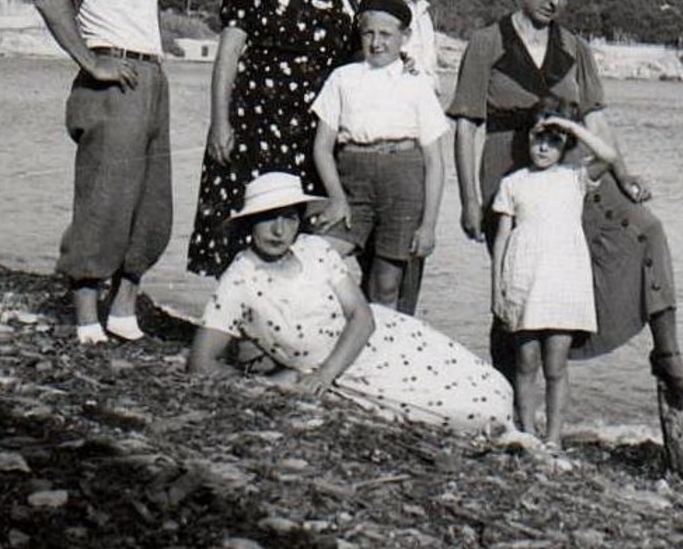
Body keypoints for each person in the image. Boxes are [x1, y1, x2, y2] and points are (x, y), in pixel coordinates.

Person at [447, 0, 683, 406]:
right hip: (505, 169)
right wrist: (467, 200)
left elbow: (596, 120)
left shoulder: (575, 48)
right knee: (514, 281)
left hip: (570, 173)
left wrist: (622, 175)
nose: (554, 0)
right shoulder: (486, 42)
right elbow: (466, 125)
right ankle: (506, 403)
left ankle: (667, 352)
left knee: (646, 229)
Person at [186, 172, 515, 435]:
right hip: (350, 378)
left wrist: (325, 374)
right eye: (267, 218)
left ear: (300, 219)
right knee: (477, 410)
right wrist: (271, 384)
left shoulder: (314, 249)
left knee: (495, 388)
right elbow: (201, 362)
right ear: (248, 224)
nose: (278, 229)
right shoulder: (239, 280)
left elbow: (361, 315)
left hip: (381, 340)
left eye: (288, 218)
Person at [34, 0, 175, 346]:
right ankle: (86, 316)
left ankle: (123, 309)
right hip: (115, 79)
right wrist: (92, 63)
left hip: (150, 77)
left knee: (150, 204)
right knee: (104, 199)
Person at [186, 0, 362, 277]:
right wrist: (219, 121)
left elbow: (356, 60)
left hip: (317, 132)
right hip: (256, 124)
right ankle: (234, 322)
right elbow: (228, 53)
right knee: (249, 219)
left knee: (304, 228)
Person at [491, 100, 625, 446]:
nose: (544, 148)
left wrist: (571, 127)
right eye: (538, 139)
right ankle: (527, 433)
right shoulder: (513, 183)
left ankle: (553, 439)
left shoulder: (575, 179)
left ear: (565, 143)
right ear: (528, 139)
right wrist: (497, 291)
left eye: (553, 141)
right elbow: (503, 239)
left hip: (564, 282)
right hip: (524, 280)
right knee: (525, 361)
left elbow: (608, 156)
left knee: (556, 366)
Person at [310, 0, 448, 310]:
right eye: (368, 33)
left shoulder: (417, 85)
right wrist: (337, 197)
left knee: (387, 284)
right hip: (352, 180)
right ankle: (332, 332)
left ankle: (378, 353)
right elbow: (322, 147)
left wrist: (429, 225)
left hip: (403, 180)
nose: (376, 43)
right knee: (319, 255)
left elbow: (435, 162)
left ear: (405, 37)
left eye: (386, 34)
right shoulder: (343, 78)